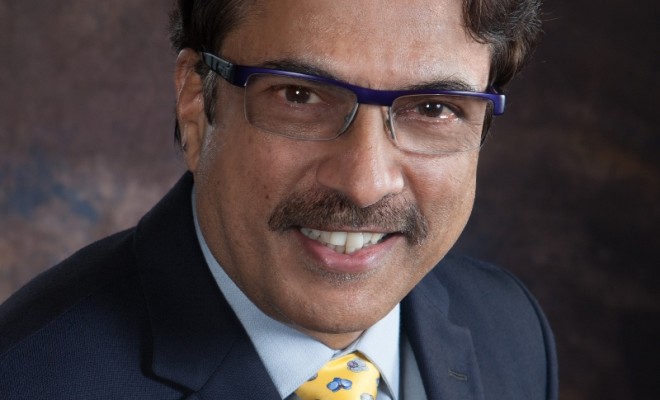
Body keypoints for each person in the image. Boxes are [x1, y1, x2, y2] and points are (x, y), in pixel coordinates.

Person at [0, 0, 557, 399]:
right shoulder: (28, 379)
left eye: (434, 108)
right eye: (299, 95)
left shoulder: (510, 328)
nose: (364, 183)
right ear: (195, 104)